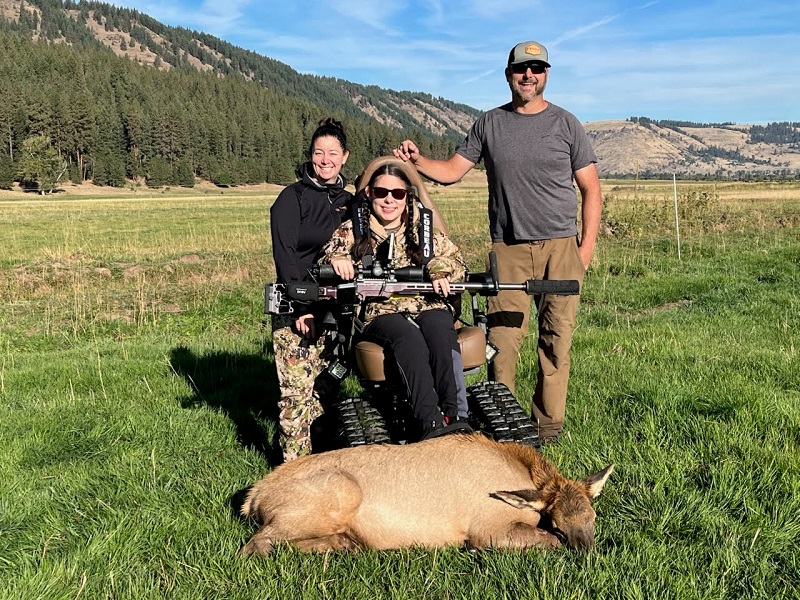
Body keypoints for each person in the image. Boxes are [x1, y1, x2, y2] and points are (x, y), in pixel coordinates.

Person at [394, 40, 603, 444]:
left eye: (537, 69)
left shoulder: (566, 124)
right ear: (509, 74)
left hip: (560, 247)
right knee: (502, 343)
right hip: (507, 249)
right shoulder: (488, 124)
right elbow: (454, 170)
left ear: (546, 74)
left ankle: (547, 430)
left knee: (556, 341)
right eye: (522, 69)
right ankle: (504, 429)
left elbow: (591, 190)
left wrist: (583, 252)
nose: (529, 75)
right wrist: (418, 162)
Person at [322, 161, 472, 440]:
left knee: (441, 330)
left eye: (398, 194)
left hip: (428, 304)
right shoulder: (353, 230)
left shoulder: (424, 230)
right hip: (381, 310)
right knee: (408, 340)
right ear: (369, 194)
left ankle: (456, 417)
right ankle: (430, 422)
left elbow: (458, 262)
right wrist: (338, 261)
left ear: (407, 197)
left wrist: (440, 268)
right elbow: (325, 260)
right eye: (381, 192)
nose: (389, 199)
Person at [270, 117, 353, 462]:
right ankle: (292, 472)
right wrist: (301, 305)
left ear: (345, 156)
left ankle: (321, 461)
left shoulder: (350, 201)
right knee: (297, 396)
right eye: (319, 152)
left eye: (333, 153)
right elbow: (285, 257)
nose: (325, 160)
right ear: (310, 155)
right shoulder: (292, 198)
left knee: (325, 389)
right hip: (298, 311)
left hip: (337, 310)